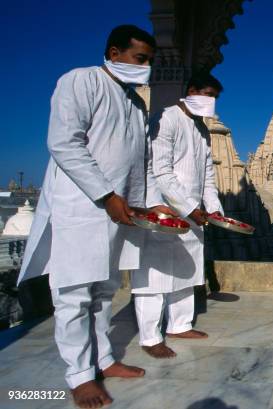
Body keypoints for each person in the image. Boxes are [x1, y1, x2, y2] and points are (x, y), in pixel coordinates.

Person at [17, 25, 175, 409]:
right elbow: (63, 143)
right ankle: (78, 375)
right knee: (73, 293)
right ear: (114, 52)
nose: (146, 69)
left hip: (121, 211)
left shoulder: (136, 104)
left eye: (150, 62)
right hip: (81, 206)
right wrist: (106, 195)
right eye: (140, 59)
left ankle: (103, 360)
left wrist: (150, 203)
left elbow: (141, 164)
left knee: (105, 290)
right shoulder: (80, 81)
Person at [130, 71, 225, 359]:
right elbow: (161, 172)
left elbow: (208, 176)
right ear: (192, 90)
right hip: (163, 207)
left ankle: (180, 324)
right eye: (207, 95)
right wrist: (188, 208)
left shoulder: (202, 130)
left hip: (194, 212)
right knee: (154, 275)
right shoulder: (166, 118)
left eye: (214, 98)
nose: (210, 102)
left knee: (187, 271)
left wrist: (215, 209)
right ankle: (149, 337)